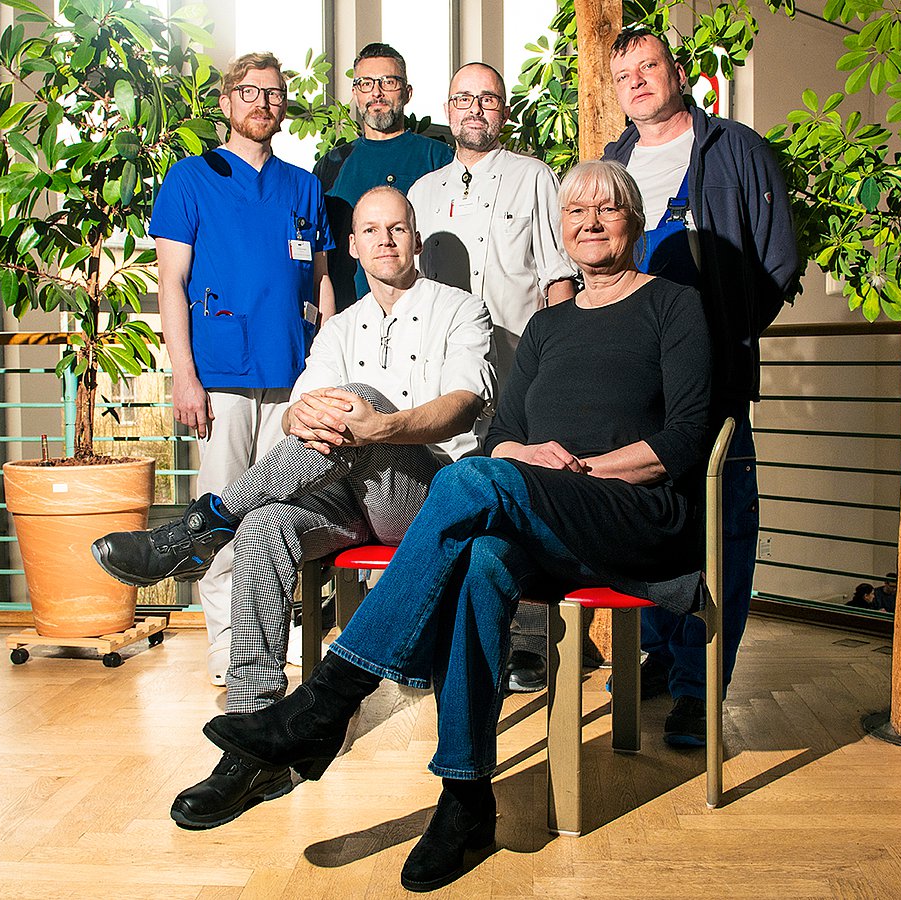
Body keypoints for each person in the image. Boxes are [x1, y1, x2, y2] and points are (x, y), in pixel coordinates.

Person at [200, 160, 713, 892]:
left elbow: (687, 440)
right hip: (543, 516)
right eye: (575, 212)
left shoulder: (673, 307)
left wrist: (576, 474)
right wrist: (522, 457)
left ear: (632, 219)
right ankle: (467, 796)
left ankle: (330, 697)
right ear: (561, 230)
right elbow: (503, 431)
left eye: (607, 209)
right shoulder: (546, 326)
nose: (590, 222)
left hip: (631, 516)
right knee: (479, 562)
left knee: (470, 476)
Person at [93, 186, 495, 831]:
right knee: (267, 521)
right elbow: (302, 416)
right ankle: (254, 744)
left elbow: (463, 405)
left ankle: (200, 527)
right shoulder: (339, 326)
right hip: (344, 495)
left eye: (397, 228)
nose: (385, 240)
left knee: (356, 396)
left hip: (427, 491)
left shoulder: (460, 310)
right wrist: (313, 414)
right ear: (355, 245)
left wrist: (379, 427)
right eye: (370, 230)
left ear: (415, 239)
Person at [602, 26, 799, 747]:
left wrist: (716, 340)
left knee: (722, 530)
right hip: (634, 388)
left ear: (676, 72)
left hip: (711, 385)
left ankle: (699, 686)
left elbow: (776, 264)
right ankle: (660, 651)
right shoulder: (611, 163)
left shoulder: (734, 150)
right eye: (625, 75)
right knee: (647, 521)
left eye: (649, 67)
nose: (639, 83)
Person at [143, 52, 335, 689]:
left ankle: (277, 647)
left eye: (276, 94)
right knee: (223, 516)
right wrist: (184, 376)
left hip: (292, 380)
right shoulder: (190, 180)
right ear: (225, 103)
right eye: (249, 92)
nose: (264, 103)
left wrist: (324, 369)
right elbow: (170, 284)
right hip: (221, 378)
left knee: (279, 515)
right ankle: (232, 659)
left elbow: (322, 285)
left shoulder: (303, 186)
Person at [407, 61, 578, 693]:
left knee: (523, 489)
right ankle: (438, 635)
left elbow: (558, 276)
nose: (476, 108)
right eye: (464, 98)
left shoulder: (535, 176)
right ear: (447, 109)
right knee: (445, 493)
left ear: (504, 110)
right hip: (445, 372)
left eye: (489, 98)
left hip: (520, 368)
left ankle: (528, 642)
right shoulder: (423, 193)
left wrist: (561, 364)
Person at [315, 42, 454, 312]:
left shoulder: (438, 158)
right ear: (355, 93)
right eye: (366, 83)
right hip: (350, 317)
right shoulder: (331, 166)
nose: (376, 93)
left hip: (425, 314)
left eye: (388, 82)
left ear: (407, 92)